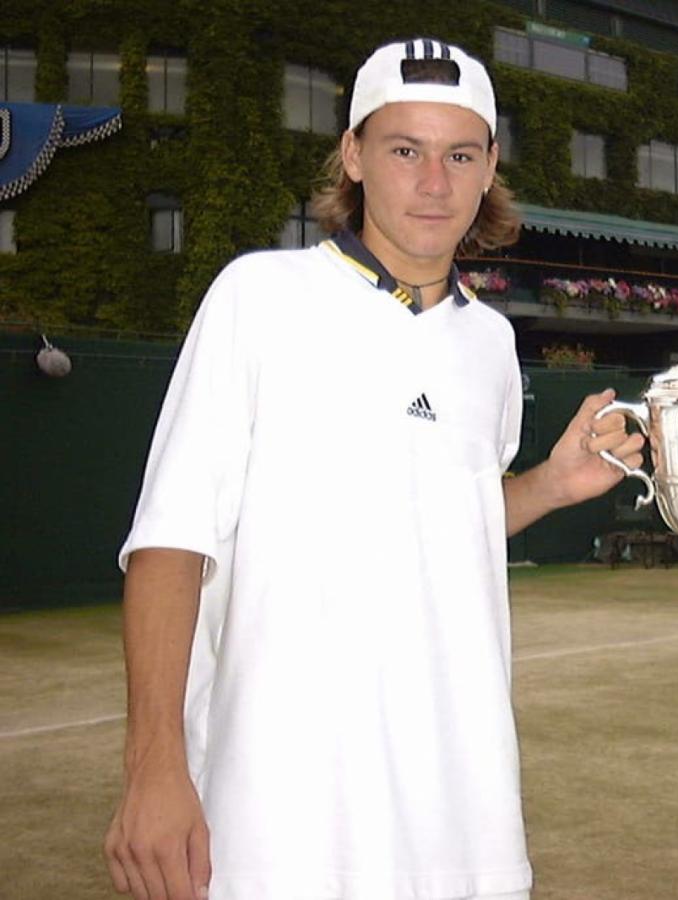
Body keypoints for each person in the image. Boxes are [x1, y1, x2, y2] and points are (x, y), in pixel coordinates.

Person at [103, 39, 643, 900]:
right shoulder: (257, 297)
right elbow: (171, 542)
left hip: (462, 818)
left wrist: (547, 485)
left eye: (459, 154)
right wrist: (153, 767)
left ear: (489, 165)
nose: (434, 182)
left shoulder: (493, 346)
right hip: (274, 817)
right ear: (353, 154)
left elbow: (439, 521)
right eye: (404, 150)